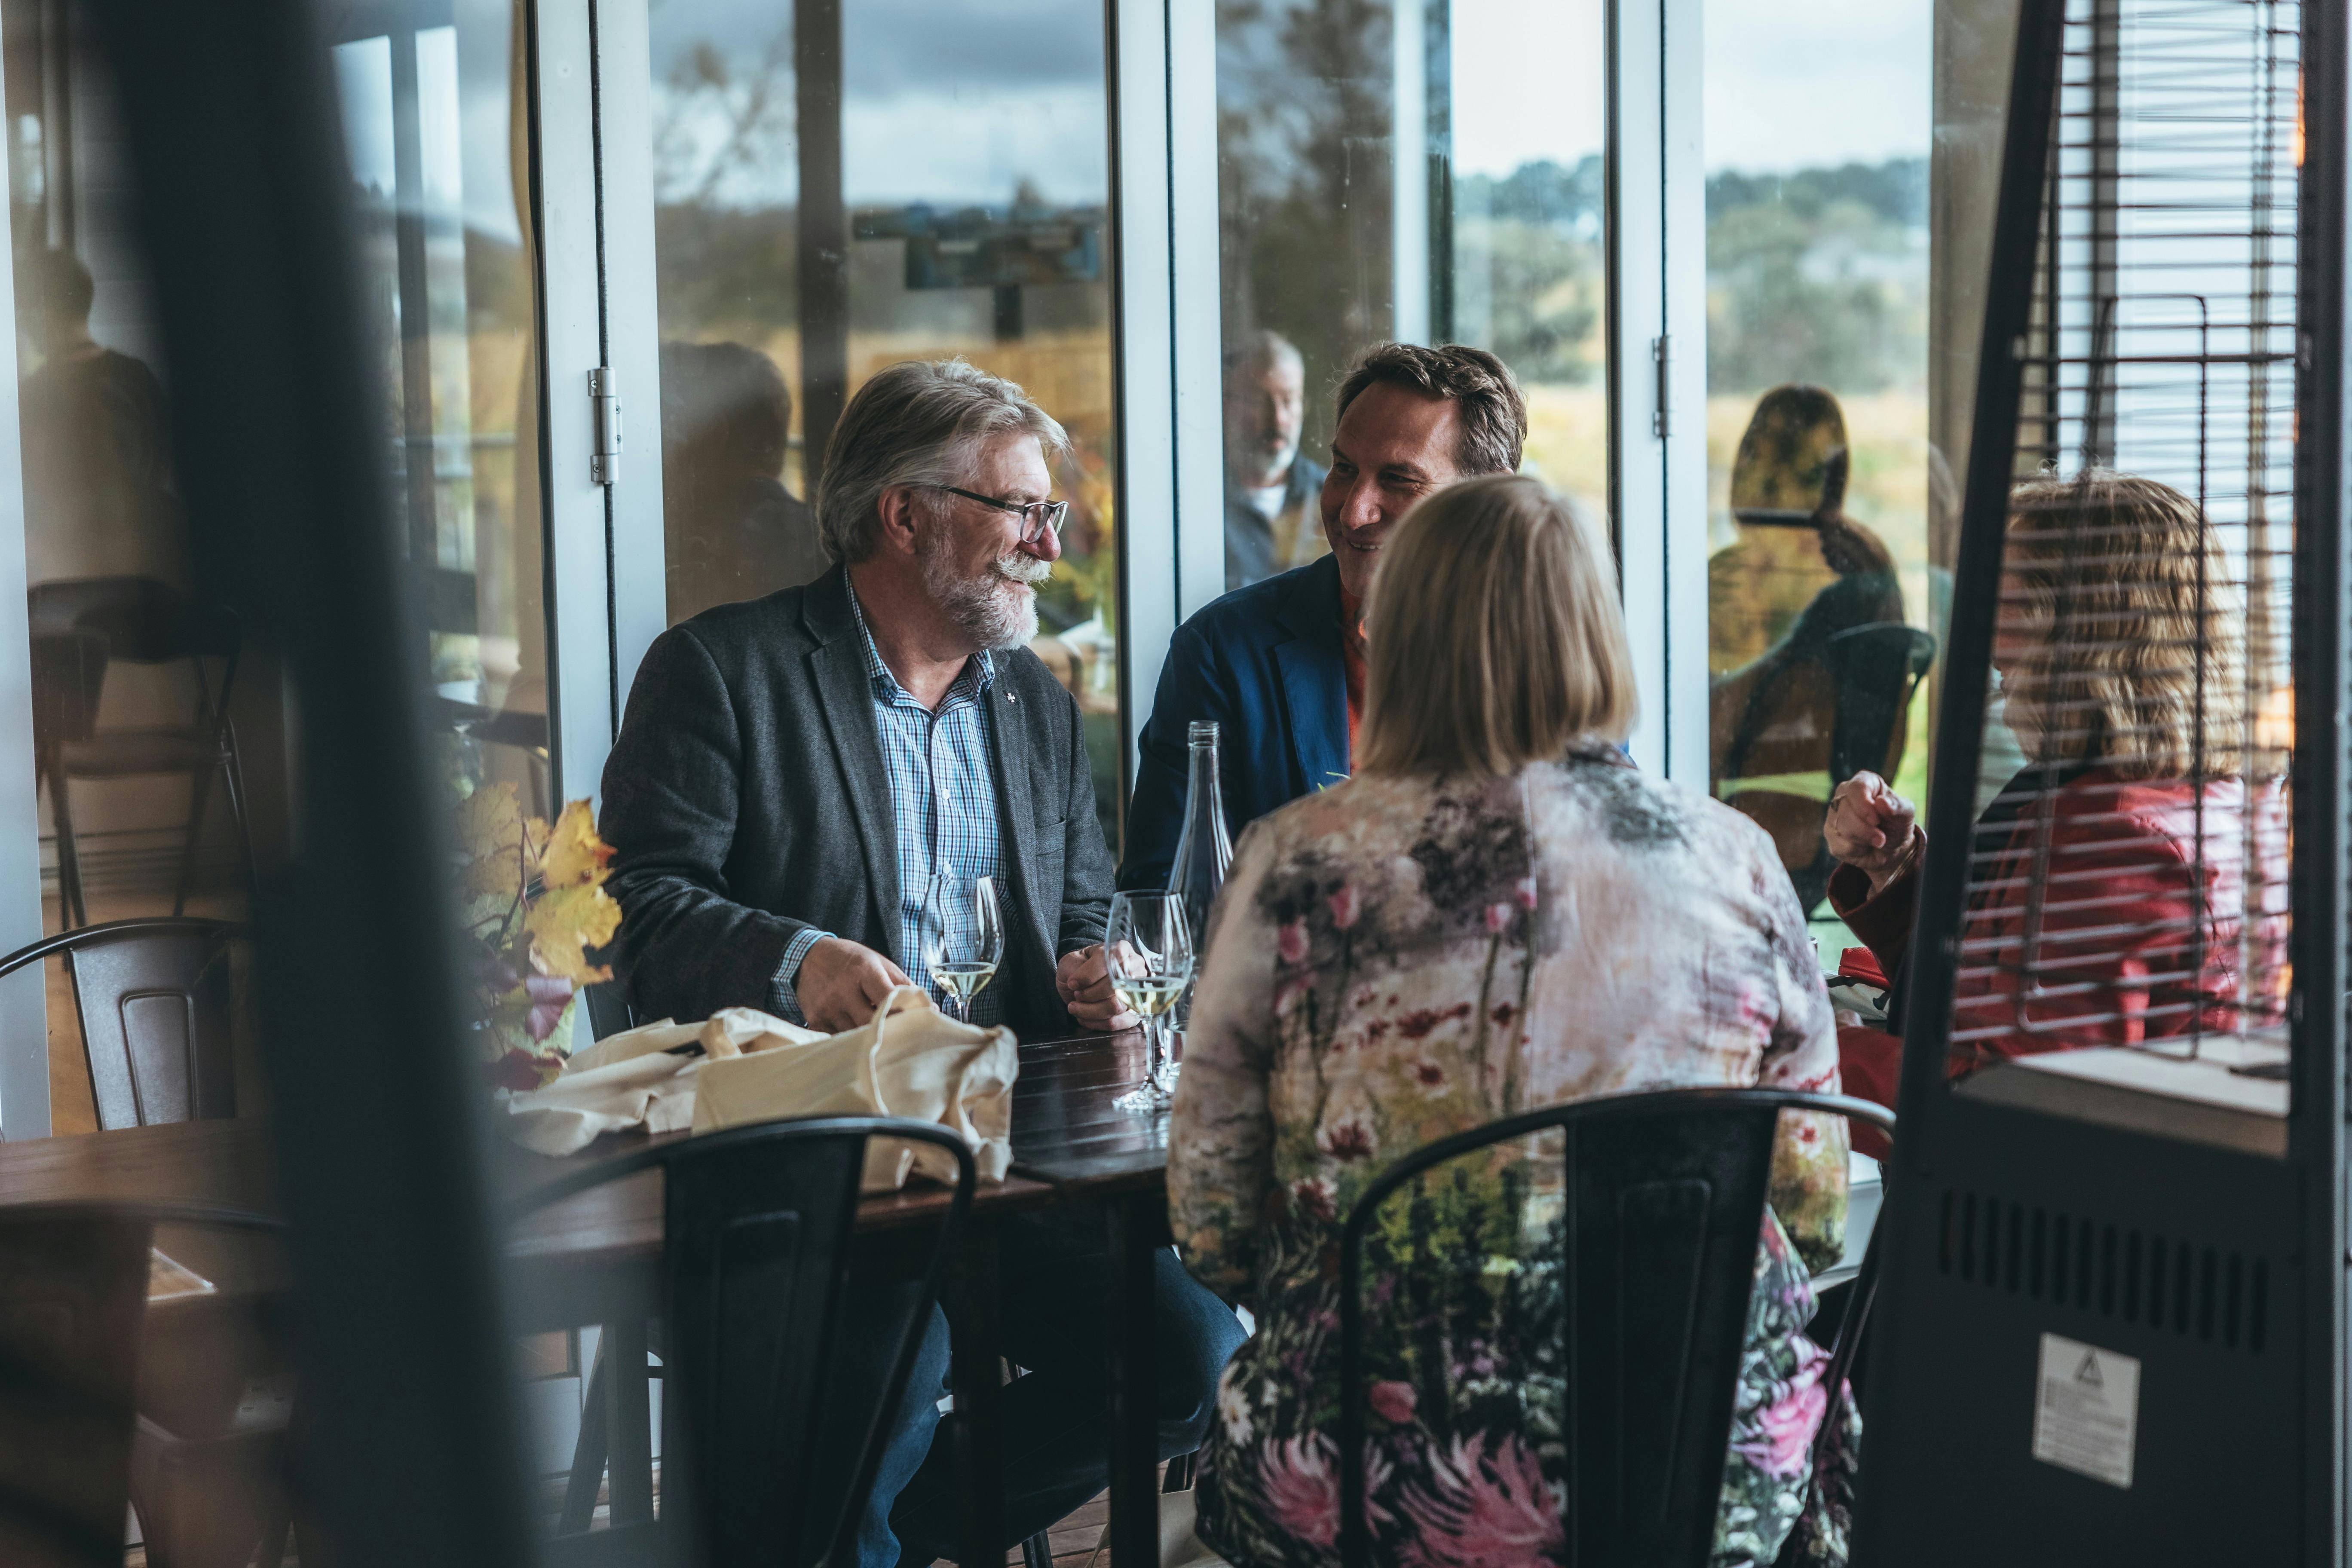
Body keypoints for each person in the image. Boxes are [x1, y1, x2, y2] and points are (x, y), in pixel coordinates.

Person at [599, 358, 1246, 1566]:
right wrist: (797, 962)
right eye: (1022, 512)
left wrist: (1092, 964)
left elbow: (1078, 908)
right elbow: (636, 911)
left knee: (1189, 1355)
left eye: (1047, 515)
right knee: (878, 1401)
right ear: (906, 515)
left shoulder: (1038, 705)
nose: (1049, 547)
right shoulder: (721, 672)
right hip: (825, 1165)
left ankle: (904, 1531)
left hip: (1010, 1156)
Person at [1167, 475, 1855, 1568]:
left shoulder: (1295, 863)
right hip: (1692, 1457)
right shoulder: (1735, 861)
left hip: (1374, 1482)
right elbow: (1811, 1209)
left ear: (1393, 632)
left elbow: (1209, 1222)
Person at [1823, 471, 2289, 1139]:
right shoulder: (2192, 796)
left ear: (2081, 627)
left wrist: (1805, 1057)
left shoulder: (2114, 836)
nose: (1985, 637)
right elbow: (1996, 1001)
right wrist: (1895, 869)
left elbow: (2003, 1112)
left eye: (2006, 599)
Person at [1121, 341, 1527, 891]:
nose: (1354, 511)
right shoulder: (1221, 649)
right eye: (1343, 468)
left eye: (1399, 480)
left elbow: (1598, 870)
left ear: (1488, 497)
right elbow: (1160, 898)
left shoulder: (1544, 652)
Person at [19, 248, 181, 585]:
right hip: (145, 564)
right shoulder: (136, 377)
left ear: (44, 309)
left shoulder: (32, 396)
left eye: (24, 308)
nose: (21, 322)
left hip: (66, 571)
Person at [660, 339, 830, 621]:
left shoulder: (695, 546)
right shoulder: (823, 538)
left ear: (714, 435)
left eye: (675, 430)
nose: (666, 450)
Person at [1223, 330, 1327, 590]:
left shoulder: (1331, 499)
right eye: (1259, 402)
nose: (1278, 419)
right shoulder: (1198, 505)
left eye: (1289, 401)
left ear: (1304, 406)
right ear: (1227, 405)